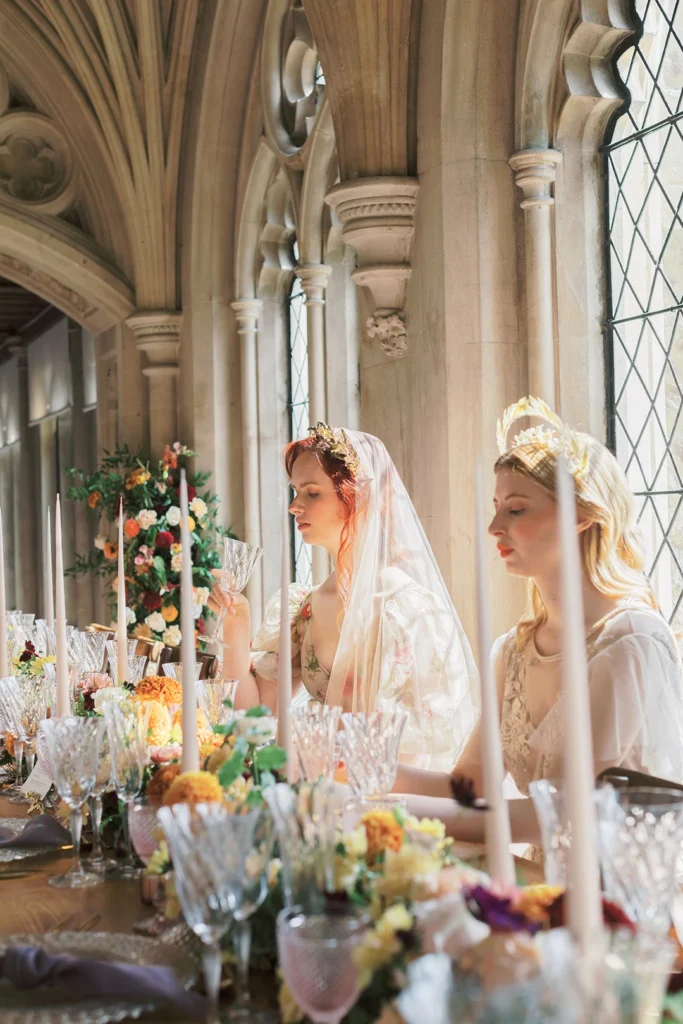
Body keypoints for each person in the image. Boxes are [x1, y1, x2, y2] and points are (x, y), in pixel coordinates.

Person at [394, 397, 683, 841]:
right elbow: (470, 787)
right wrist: (362, 768)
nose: (493, 526)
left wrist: (398, 815)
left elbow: (566, 815)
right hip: (537, 883)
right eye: (495, 506)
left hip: (619, 898)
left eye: (515, 508)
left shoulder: (630, 640)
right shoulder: (513, 651)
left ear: (582, 515)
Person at [208, 423, 480, 769]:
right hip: (318, 793)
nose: (294, 506)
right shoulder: (302, 608)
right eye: (295, 492)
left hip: (389, 798)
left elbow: (430, 743)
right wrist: (236, 626)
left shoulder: (407, 610)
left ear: (357, 498)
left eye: (312, 493)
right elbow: (254, 716)